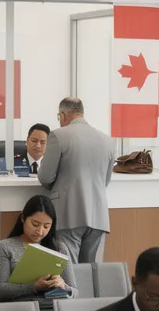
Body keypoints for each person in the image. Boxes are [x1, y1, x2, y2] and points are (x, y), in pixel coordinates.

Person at [0, 194, 77, 311]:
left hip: (55, 307)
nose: (40, 231)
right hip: (24, 310)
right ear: (23, 219)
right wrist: (34, 286)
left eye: (47, 226)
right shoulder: (6, 247)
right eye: (35, 224)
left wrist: (63, 286)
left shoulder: (59, 247)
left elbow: (75, 290)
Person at [38, 96, 114, 264]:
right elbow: (105, 180)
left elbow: (45, 177)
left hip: (68, 213)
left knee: (68, 273)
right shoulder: (107, 140)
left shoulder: (58, 136)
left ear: (63, 115)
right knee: (93, 275)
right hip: (98, 216)